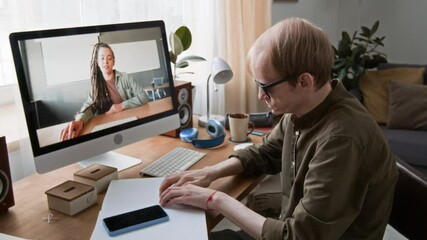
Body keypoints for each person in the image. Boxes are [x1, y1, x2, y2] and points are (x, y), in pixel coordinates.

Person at [159, 17, 398, 240]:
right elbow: (267, 153)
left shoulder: (342, 140)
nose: (260, 95)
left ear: (304, 81)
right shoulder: (302, 109)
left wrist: (215, 198)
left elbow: (295, 236)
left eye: (266, 86)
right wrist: (210, 173)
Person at [60, 42, 149, 140]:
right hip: (107, 129)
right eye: (102, 58)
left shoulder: (125, 78)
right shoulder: (96, 86)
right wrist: (80, 120)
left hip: (127, 123)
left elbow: (143, 97)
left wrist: (122, 105)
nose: (106, 62)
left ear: (113, 61)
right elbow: (89, 107)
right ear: (97, 62)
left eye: (109, 58)